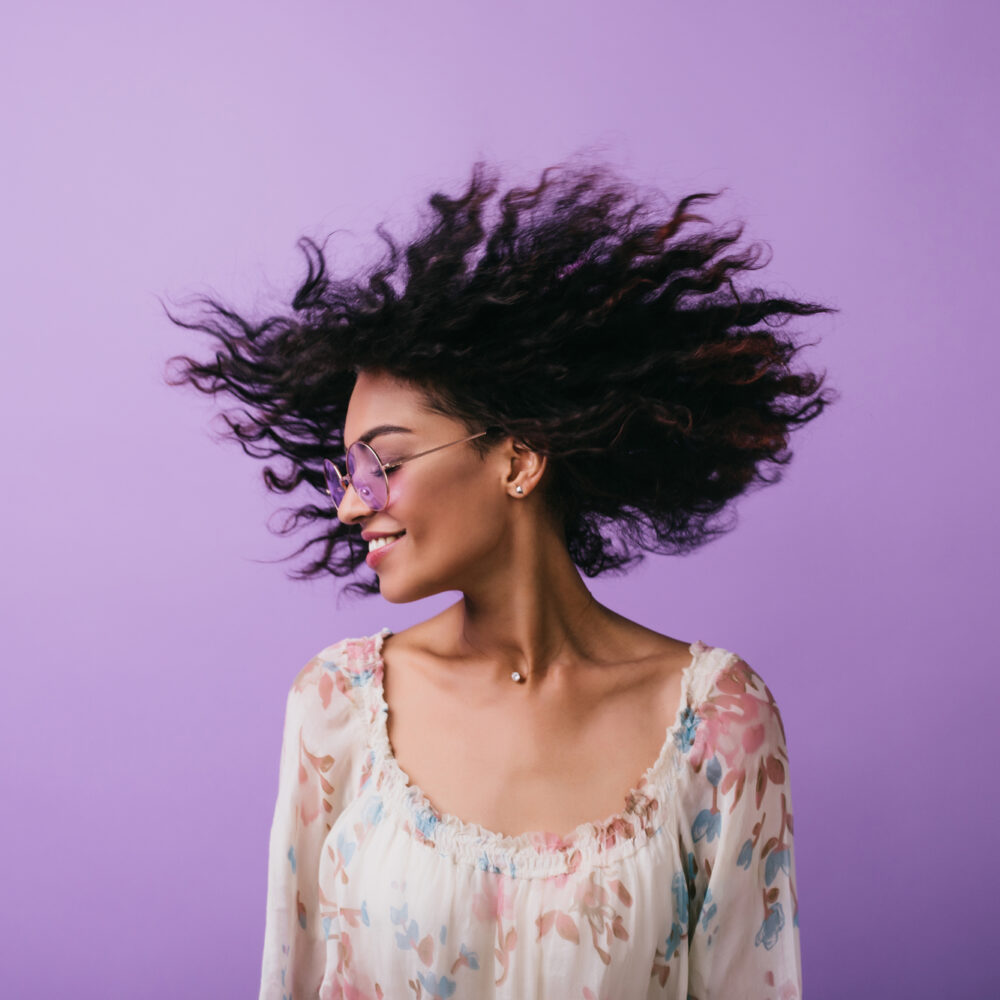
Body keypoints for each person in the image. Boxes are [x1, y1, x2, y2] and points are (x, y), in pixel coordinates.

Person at [168, 162, 835, 999]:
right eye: (346, 469)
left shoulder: (717, 724)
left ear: (517, 458)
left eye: (383, 461)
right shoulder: (337, 707)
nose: (348, 503)